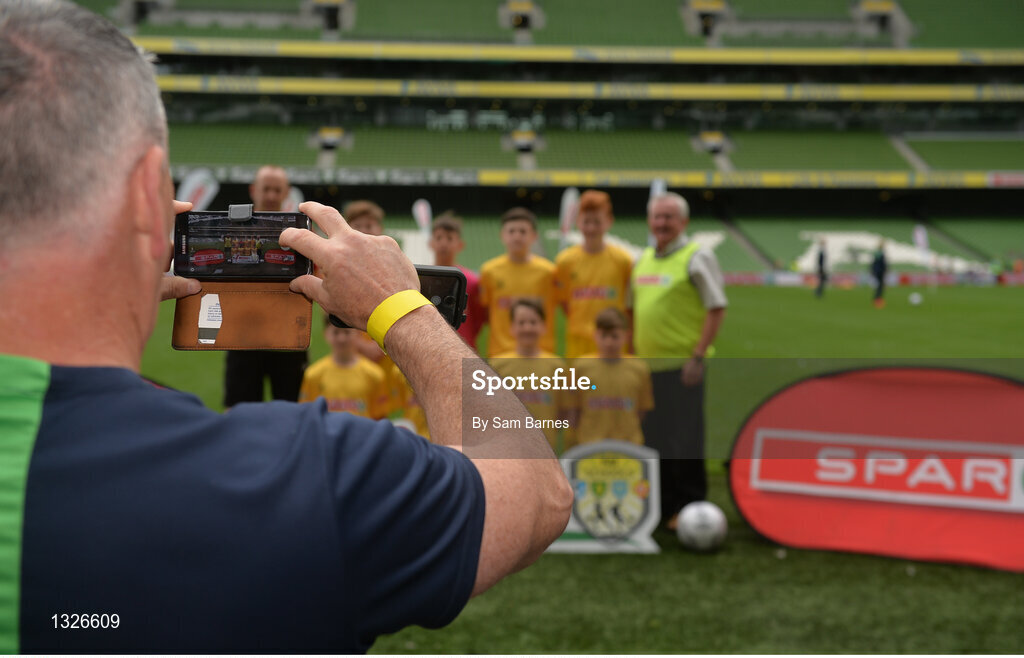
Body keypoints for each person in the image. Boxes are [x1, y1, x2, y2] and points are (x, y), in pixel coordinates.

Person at [0, 2, 572, 653]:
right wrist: (401, 309)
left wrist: (111, 274)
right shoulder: (308, 479)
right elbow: (538, 491)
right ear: (145, 201)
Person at [631, 192, 727, 529]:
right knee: (654, 440)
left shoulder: (696, 256)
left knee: (685, 440)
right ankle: (662, 507)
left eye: (669, 217)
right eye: (657, 217)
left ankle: (690, 509)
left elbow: (716, 307)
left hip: (682, 368)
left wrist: (698, 356)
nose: (662, 223)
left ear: (683, 222)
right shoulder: (642, 259)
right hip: (647, 370)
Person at [222, 165, 308, 407]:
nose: (271, 195)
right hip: (243, 335)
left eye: (277, 189)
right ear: (253, 190)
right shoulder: (231, 232)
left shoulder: (301, 234)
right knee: (240, 415)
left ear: (286, 193)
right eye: (266, 189)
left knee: (293, 413)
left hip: (288, 335)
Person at [554, 190, 633, 359]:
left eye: (597, 222)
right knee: (581, 385)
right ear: (578, 222)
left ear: (609, 222)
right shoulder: (565, 261)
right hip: (578, 341)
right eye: (586, 221)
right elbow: (564, 304)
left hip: (612, 342)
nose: (591, 228)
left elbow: (628, 304)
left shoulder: (622, 260)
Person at [490, 299, 573, 453]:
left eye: (533, 322)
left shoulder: (557, 367)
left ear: (544, 327)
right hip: (506, 449)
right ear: (512, 328)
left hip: (545, 449)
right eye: (521, 323)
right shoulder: (496, 366)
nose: (527, 328)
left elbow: (564, 411)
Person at [479, 207, 557, 357]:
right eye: (511, 231)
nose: (517, 236)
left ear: (534, 236)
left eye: (522, 231)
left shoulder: (549, 272)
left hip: (539, 354)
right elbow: (487, 312)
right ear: (502, 235)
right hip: (500, 354)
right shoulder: (489, 271)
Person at [570, 308, 653, 447]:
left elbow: (641, 409)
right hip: (590, 445)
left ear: (626, 336)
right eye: (604, 336)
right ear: (595, 335)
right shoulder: (580, 367)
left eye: (614, 336)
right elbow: (574, 409)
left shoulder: (639, 368)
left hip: (628, 446)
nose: (609, 342)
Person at [299, 318, 390, 419]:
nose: (341, 338)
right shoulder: (313, 375)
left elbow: (380, 418)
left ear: (358, 335)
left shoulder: (374, 374)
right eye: (336, 333)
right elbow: (307, 415)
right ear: (326, 334)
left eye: (347, 333)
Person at [429, 211, 485, 350]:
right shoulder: (422, 278)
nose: (444, 243)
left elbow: (479, 319)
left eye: (449, 238)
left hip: (464, 347)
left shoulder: (471, 281)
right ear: (431, 243)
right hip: (431, 348)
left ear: (460, 245)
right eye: (439, 238)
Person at [871, 238, 888, 308]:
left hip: (877, 271)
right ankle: (878, 299)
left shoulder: (877, 253)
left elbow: (873, 263)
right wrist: (885, 270)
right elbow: (883, 264)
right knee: (880, 286)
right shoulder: (880, 253)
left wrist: (872, 270)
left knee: (879, 285)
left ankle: (877, 299)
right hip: (880, 271)